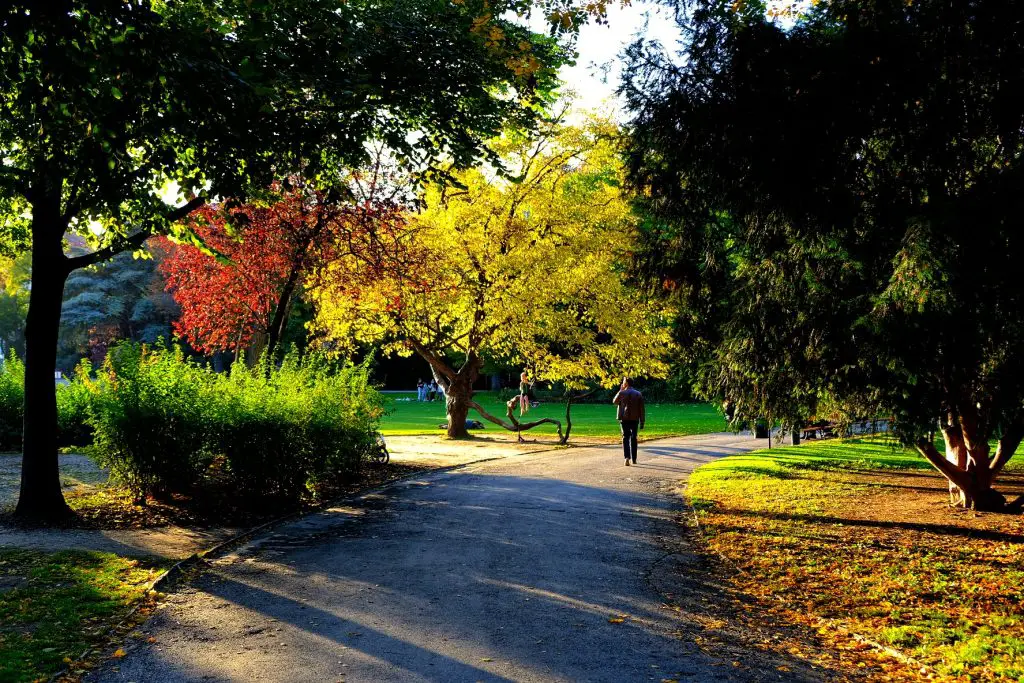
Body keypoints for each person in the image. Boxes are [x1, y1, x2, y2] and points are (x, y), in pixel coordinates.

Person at [612, 377, 645, 466]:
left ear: (626, 383)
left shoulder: (622, 393)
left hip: (624, 418)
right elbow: (641, 409)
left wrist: (620, 390)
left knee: (625, 437)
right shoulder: (638, 394)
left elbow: (614, 402)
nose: (622, 383)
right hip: (635, 419)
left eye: (623, 382)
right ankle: (634, 459)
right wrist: (642, 421)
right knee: (634, 438)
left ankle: (627, 457)